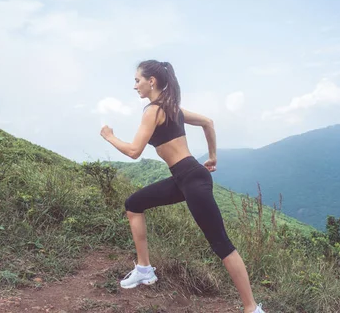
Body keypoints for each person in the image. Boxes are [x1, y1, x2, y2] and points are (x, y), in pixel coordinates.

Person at [100, 60, 265, 313]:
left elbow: (134, 151)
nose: (135, 86)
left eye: (137, 80)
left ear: (151, 81)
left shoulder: (153, 110)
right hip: (184, 178)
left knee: (221, 244)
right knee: (133, 204)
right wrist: (212, 157)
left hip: (191, 178)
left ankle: (252, 308)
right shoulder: (173, 108)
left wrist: (110, 137)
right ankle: (144, 270)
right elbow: (208, 122)